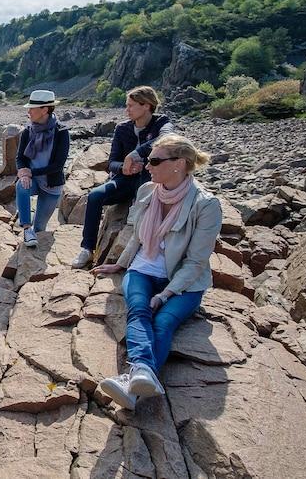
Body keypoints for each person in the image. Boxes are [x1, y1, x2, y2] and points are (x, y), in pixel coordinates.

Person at [91, 134, 221, 410]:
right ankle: (141, 374)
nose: (147, 166)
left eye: (154, 160)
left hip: (184, 282)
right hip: (142, 269)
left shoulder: (206, 205)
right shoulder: (147, 191)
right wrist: (121, 263)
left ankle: (133, 382)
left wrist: (165, 294)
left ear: (179, 164)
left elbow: (197, 261)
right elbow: (135, 235)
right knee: (138, 309)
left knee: (163, 322)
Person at [71, 86, 174, 268]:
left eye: (131, 106)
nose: (126, 110)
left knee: (145, 196)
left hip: (151, 178)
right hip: (125, 180)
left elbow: (167, 138)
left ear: (146, 106)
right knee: (95, 196)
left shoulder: (161, 123)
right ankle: (87, 249)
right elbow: (112, 163)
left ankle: (142, 246)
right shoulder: (122, 129)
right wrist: (124, 168)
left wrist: (135, 154)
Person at [15, 89, 70, 247]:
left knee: (40, 228)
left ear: (45, 109)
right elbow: (20, 158)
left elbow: (58, 166)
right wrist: (24, 172)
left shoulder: (61, 132)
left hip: (52, 184)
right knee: (21, 185)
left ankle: (33, 235)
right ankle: (26, 228)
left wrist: (31, 172)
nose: (29, 111)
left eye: (32, 108)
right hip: (34, 180)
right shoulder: (28, 131)